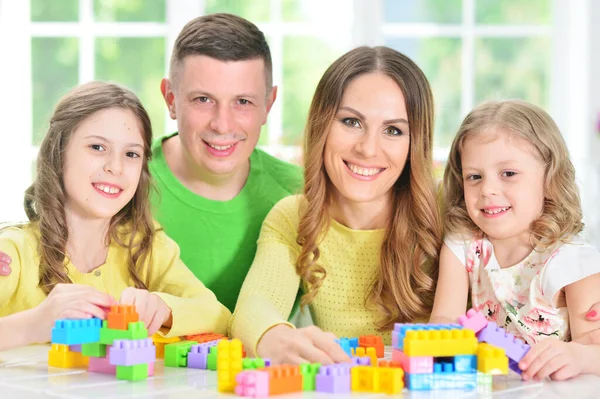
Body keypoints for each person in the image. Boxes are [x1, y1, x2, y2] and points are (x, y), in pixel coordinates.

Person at [230, 46, 443, 365]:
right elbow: (255, 305)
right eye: (351, 122)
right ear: (322, 125)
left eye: (393, 130)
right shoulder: (294, 217)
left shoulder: (445, 215)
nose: (368, 149)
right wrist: (275, 337)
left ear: (415, 144)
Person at [0, 81, 230, 351]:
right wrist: (36, 323)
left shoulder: (147, 247)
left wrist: (164, 308)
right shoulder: (12, 254)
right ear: (58, 152)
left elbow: (218, 316)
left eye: (131, 154)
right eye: (97, 147)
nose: (116, 167)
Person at [429, 100, 600, 381]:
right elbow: (443, 320)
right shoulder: (463, 244)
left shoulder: (572, 259)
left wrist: (578, 356)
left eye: (508, 174)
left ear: (549, 179)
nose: (488, 189)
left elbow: (595, 346)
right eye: (474, 176)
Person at [151, 13, 303, 312]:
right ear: (170, 99)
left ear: (268, 105)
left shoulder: (302, 194)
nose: (222, 124)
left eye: (242, 102)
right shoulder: (123, 186)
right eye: (203, 100)